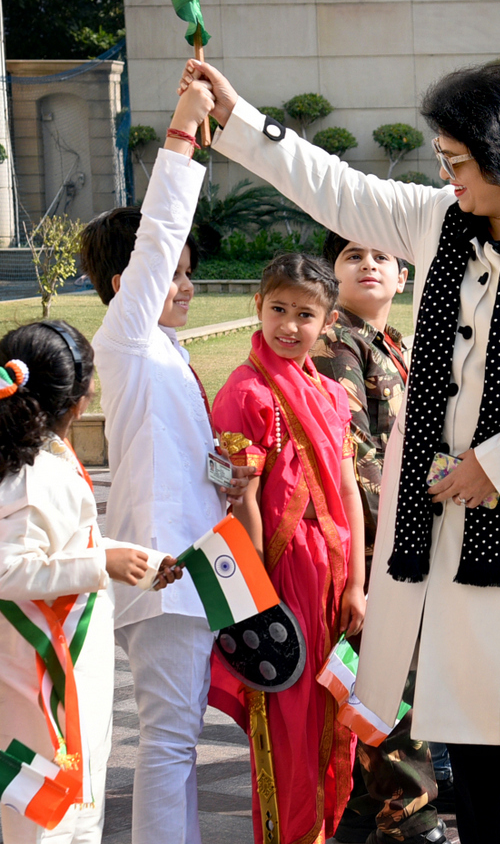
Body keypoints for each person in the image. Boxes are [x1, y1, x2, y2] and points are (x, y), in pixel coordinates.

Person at [181, 57, 500, 844]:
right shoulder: (438, 221)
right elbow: (336, 188)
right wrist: (239, 118)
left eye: (458, 161)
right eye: (442, 161)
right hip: (453, 543)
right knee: (483, 758)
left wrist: (496, 462)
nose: (446, 174)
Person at [79, 75, 255, 844]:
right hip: (162, 570)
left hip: (202, 565)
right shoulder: (125, 339)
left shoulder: (168, 352)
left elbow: (184, 460)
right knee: (170, 740)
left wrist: (230, 477)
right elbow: (157, 231)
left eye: (186, 274)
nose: (184, 286)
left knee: (183, 737)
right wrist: (183, 133)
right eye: (173, 274)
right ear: (127, 287)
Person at [0, 321, 177, 844]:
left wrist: (138, 562)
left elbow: (65, 548)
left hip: (69, 654)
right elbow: (13, 572)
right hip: (38, 663)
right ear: (82, 397)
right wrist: (103, 565)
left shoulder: (47, 456)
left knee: (81, 796)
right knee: (47, 812)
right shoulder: (32, 475)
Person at [209, 253, 366, 844]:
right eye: (278, 309)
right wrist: (258, 597)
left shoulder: (329, 395)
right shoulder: (244, 393)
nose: (289, 325)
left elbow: (347, 486)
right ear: (258, 306)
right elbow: (241, 501)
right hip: (282, 583)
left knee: (333, 723)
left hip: (334, 582)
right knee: (287, 729)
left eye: (305, 314)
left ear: (326, 322)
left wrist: (356, 584)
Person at [311, 235, 449, 844]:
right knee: (389, 682)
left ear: (402, 276)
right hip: (376, 546)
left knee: (391, 680)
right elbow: (357, 457)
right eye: (351, 256)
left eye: (382, 258)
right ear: (332, 274)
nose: (368, 264)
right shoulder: (338, 342)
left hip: (402, 540)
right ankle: (408, 817)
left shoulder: (389, 342)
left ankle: (367, 814)